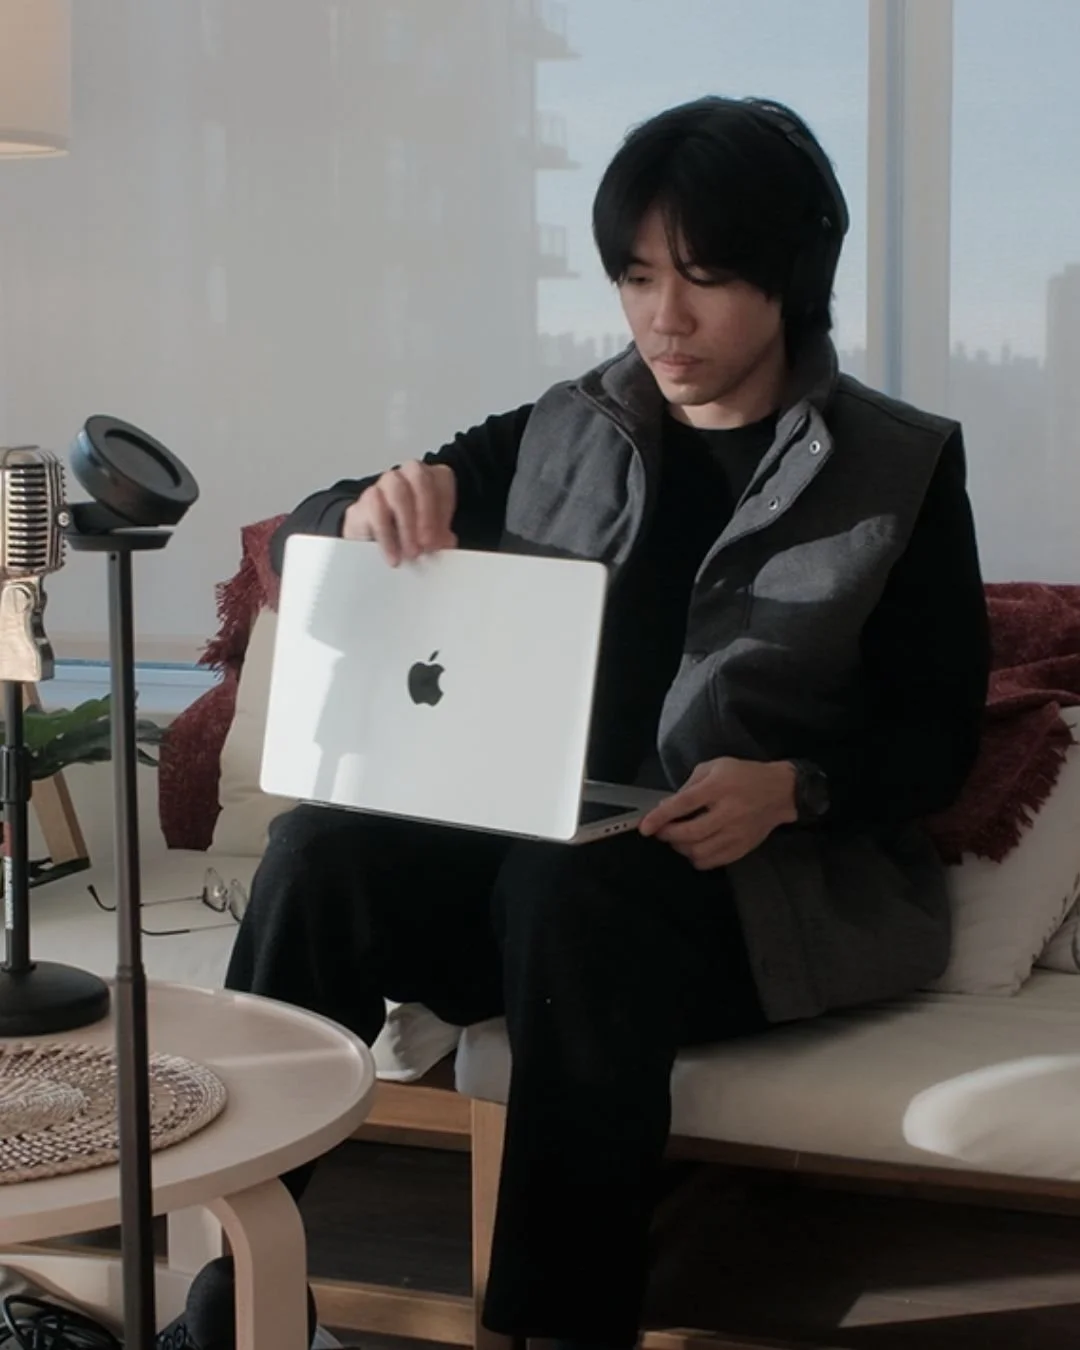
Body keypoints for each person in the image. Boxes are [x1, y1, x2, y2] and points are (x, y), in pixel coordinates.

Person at [226, 96, 990, 1350]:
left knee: (571, 899)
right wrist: (370, 503)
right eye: (637, 276)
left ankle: (553, 1329)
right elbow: (317, 530)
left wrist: (791, 786)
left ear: (793, 277)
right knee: (321, 856)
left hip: (739, 900)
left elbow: (935, 738)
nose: (663, 319)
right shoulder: (562, 423)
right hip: (533, 869)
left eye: (705, 279)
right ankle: (230, 1299)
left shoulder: (899, 466)